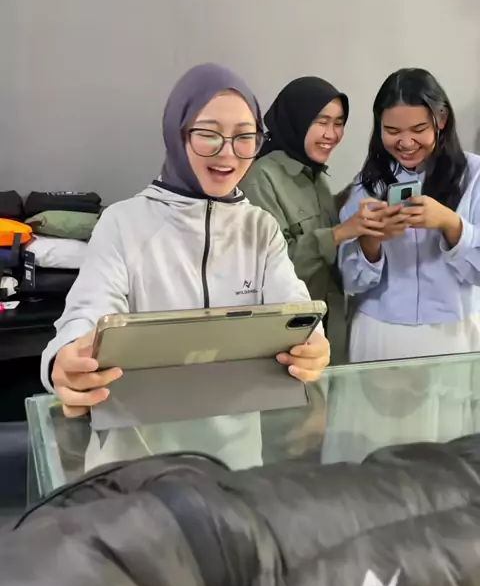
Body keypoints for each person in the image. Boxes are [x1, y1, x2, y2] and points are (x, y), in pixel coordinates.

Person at [40, 64, 330, 470]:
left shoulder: (260, 228)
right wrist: (65, 360)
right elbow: (87, 314)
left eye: (244, 137)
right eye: (208, 134)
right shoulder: (123, 223)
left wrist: (314, 344)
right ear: (177, 134)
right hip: (135, 463)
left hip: (234, 466)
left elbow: (295, 308)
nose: (228, 153)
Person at [240, 76, 387, 363]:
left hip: (329, 336)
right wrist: (340, 233)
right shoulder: (260, 179)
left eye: (339, 123)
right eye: (322, 122)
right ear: (297, 119)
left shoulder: (315, 177)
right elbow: (271, 270)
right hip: (288, 344)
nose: (332, 134)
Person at [338, 67, 480, 362]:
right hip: (379, 331)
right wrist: (371, 241)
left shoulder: (474, 175)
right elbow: (350, 281)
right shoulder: (367, 184)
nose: (405, 142)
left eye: (418, 130)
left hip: (455, 333)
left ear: (441, 119)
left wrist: (450, 224)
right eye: (392, 131)